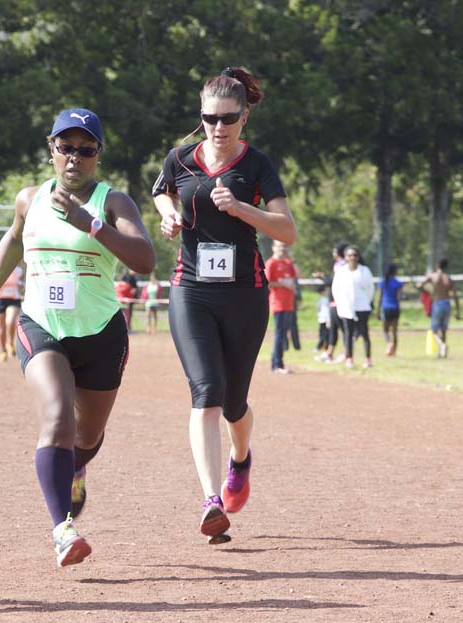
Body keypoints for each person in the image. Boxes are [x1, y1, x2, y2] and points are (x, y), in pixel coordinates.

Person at [0, 108, 154, 567]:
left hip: (101, 331)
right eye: (65, 148)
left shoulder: (115, 203)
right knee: (57, 420)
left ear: (98, 155)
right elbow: (13, 239)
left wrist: (89, 223)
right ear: (51, 150)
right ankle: (63, 529)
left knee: (87, 435)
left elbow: (146, 259)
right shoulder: (28, 198)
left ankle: (76, 467)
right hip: (42, 324)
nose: (75, 158)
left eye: (85, 150)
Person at [152, 67, 296, 544]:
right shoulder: (179, 158)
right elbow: (160, 194)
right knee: (206, 393)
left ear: (244, 116)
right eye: (209, 117)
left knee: (234, 403)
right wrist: (169, 216)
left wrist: (241, 208)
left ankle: (241, 459)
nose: (217, 127)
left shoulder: (257, 165)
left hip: (244, 294)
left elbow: (287, 231)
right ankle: (211, 500)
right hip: (190, 289)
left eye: (227, 118)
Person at [331, 246, 374, 369]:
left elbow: (369, 289)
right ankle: (349, 358)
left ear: (358, 257)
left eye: (354, 255)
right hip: (346, 308)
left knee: (364, 333)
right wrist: (340, 304)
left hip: (362, 307)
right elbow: (336, 290)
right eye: (349, 255)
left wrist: (366, 302)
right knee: (348, 334)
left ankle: (368, 359)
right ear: (345, 258)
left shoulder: (364, 271)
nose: (352, 258)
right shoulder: (341, 271)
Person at [264, 240, 297, 373]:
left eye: (284, 246)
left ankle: (279, 363)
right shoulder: (271, 263)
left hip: (288, 303)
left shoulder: (288, 263)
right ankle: (277, 364)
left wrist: (292, 259)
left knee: (283, 334)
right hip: (278, 303)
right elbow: (267, 283)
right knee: (279, 334)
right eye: (279, 246)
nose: (281, 249)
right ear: (273, 248)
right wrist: (282, 284)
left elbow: (297, 275)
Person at [420, 258, 460, 358]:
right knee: (443, 329)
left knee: (434, 330)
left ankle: (442, 346)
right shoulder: (449, 279)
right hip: (447, 304)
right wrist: (458, 310)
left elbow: (419, 285)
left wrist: (428, 292)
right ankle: (442, 352)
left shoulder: (432, 276)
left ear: (438, 265)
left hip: (437, 304)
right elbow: (455, 296)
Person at [0, 264, 23, 361]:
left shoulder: (18, 271)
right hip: (0, 300)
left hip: (13, 300)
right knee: (2, 329)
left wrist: (20, 285)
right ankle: (3, 351)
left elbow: (21, 284)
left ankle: (10, 343)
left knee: (10, 321)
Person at [376, 263, 405, 356]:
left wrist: (377, 310)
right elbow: (399, 298)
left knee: (385, 330)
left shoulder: (382, 283)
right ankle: (394, 351)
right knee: (394, 331)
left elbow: (379, 297)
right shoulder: (398, 283)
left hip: (386, 308)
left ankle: (389, 343)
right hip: (395, 308)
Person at [314, 283, 332, 358]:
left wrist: (327, 320)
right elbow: (323, 311)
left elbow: (323, 311)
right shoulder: (324, 300)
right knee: (323, 335)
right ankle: (320, 347)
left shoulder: (323, 300)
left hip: (323, 320)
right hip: (323, 319)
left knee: (324, 335)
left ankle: (321, 347)